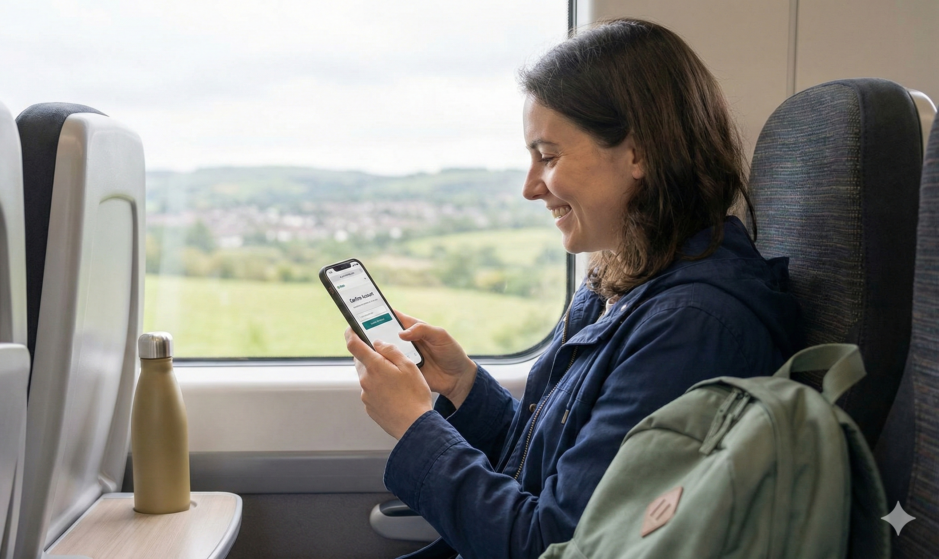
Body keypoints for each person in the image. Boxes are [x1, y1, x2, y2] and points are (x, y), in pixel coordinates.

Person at [344, 18, 804, 559]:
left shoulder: (691, 328)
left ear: (639, 153)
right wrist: (464, 385)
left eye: (549, 155)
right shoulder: (621, 282)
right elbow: (556, 470)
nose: (530, 186)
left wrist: (417, 425)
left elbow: (550, 542)